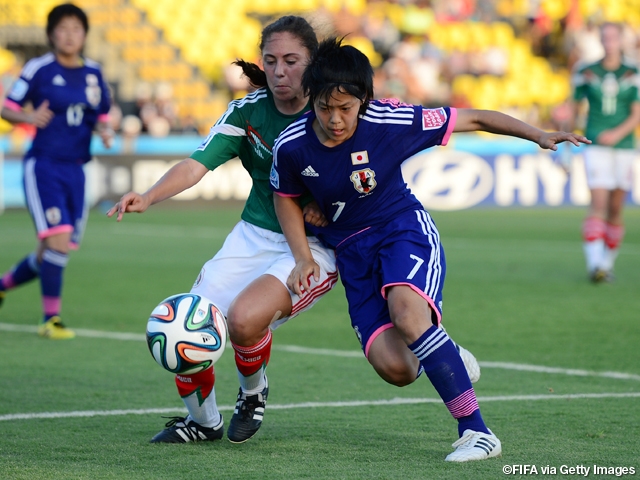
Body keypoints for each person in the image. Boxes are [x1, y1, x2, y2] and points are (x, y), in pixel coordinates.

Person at [108, 16, 479, 445]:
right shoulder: (249, 112)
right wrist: (149, 196)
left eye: (291, 60)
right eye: (270, 61)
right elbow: (196, 164)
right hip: (252, 236)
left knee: (244, 320)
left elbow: (364, 170)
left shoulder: (337, 106)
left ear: (313, 62)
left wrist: (320, 210)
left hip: (313, 247)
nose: (280, 71)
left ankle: (252, 394)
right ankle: (203, 422)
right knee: (186, 325)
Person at [271, 38, 590, 462]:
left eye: (345, 109)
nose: (334, 119)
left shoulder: (391, 120)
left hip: (400, 229)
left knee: (408, 314)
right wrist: (303, 257)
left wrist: (537, 135)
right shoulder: (291, 145)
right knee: (397, 369)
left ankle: (476, 431)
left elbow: (473, 117)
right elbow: (285, 196)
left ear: (364, 101)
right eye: (325, 108)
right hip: (350, 251)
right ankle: (444, 349)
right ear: (311, 100)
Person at [0, 3, 113, 339]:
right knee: (58, 242)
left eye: (76, 29)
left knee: (48, 250)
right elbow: (8, 107)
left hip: (77, 170)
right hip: (44, 165)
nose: (69, 35)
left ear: (84, 35)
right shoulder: (39, 68)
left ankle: (2, 285)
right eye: (62, 29)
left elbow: (102, 112)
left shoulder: (93, 72)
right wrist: (27, 118)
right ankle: (50, 319)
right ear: (51, 34)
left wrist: (105, 130)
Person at [567, 22, 640, 283]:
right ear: (600, 40)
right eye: (605, 37)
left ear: (621, 40)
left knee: (617, 207)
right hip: (594, 143)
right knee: (598, 203)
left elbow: (636, 113)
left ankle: (606, 263)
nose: (609, 42)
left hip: (623, 147)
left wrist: (617, 134)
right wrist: (566, 144)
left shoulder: (633, 71)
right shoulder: (585, 70)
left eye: (613, 37)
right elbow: (573, 108)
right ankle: (595, 264)